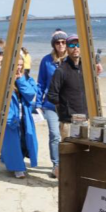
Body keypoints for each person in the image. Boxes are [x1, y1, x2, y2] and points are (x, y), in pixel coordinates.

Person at [1, 56, 39, 179]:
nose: (18, 67)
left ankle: (19, 163)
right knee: (12, 142)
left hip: (25, 115)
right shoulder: (4, 79)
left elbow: (31, 95)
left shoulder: (26, 78)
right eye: (16, 64)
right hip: (11, 115)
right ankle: (18, 168)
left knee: (25, 139)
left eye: (20, 65)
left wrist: (20, 79)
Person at [37, 30, 67, 179]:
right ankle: (56, 165)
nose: (60, 44)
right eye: (57, 42)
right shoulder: (46, 60)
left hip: (69, 106)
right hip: (50, 105)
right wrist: (37, 103)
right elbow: (41, 83)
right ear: (53, 44)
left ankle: (68, 165)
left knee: (67, 136)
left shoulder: (73, 60)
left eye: (63, 42)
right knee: (55, 135)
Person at [47, 33, 88, 139]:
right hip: (68, 122)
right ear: (67, 48)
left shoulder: (86, 68)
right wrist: (66, 108)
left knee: (86, 153)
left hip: (85, 120)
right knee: (69, 153)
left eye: (78, 45)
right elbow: (51, 95)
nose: (75, 48)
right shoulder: (61, 70)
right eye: (72, 45)